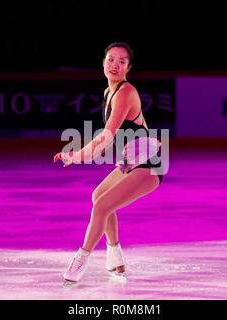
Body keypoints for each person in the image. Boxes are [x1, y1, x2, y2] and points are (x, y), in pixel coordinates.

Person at [54, 42, 163, 283]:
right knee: (99, 198)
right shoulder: (109, 92)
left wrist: (76, 155)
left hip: (149, 163)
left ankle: (81, 258)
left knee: (101, 207)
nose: (114, 65)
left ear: (128, 67)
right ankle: (115, 255)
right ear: (103, 62)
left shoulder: (125, 92)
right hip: (131, 161)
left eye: (121, 61)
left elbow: (107, 135)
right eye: (110, 59)